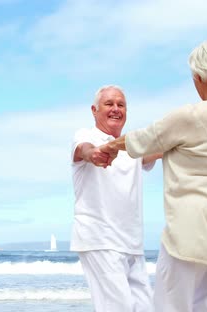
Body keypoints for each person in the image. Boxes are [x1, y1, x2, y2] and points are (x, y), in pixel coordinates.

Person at [100, 39, 207, 312]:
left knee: (171, 306)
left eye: (194, 77)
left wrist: (111, 146)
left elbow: (144, 139)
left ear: (201, 76)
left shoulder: (190, 116)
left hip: (192, 231)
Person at [70, 85, 162, 312]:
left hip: (132, 244)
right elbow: (84, 150)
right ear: (94, 110)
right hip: (99, 239)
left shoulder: (132, 146)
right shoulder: (85, 135)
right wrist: (94, 154)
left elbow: (160, 149)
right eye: (109, 104)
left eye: (121, 105)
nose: (115, 109)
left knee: (145, 308)